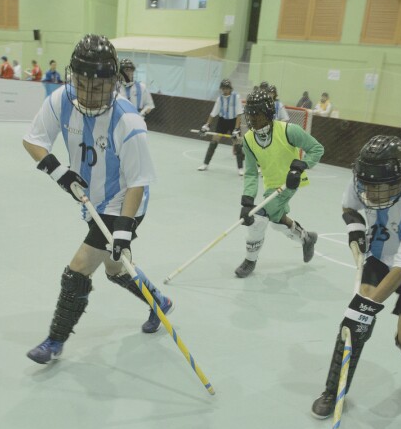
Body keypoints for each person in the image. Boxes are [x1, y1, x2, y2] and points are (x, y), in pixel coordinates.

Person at [22, 34, 173, 364]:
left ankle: (55, 341)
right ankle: (158, 300)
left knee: (79, 268)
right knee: (114, 268)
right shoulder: (61, 100)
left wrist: (123, 230)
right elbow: (32, 140)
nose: (90, 95)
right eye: (82, 84)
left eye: (99, 87)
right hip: (93, 201)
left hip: (125, 205)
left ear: (113, 82)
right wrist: (59, 171)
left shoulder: (127, 120)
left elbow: (138, 182)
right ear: (73, 76)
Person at [310, 135, 401, 419]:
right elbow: (349, 208)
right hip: (379, 255)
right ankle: (333, 391)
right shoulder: (363, 178)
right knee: (354, 326)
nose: (371, 194)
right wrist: (355, 230)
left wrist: (367, 308)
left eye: (381, 187)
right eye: (367, 186)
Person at [234, 88, 323, 278]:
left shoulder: (289, 130)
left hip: (289, 182)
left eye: (257, 114)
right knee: (276, 221)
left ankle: (250, 260)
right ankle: (306, 238)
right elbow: (250, 173)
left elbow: (316, 148)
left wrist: (301, 165)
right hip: (271, 185)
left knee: (258, 219)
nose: (253, 119)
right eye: (250, 114)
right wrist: (247, 201)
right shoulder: (248, 140)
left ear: (268, 113)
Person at [197, 78, 243, 174]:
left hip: (233, 122)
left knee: (237, 144)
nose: (225, 90)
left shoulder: (236, 97)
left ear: (230, 88)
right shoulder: (219, 99)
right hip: (222, 122)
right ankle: (205, 164)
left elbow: (239, 114)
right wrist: (206, 126)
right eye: (223, 88)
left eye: (227, 88)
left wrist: (236, 129)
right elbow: (213, 113)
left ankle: (240, 168)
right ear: (221, 89)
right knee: (214, 141)